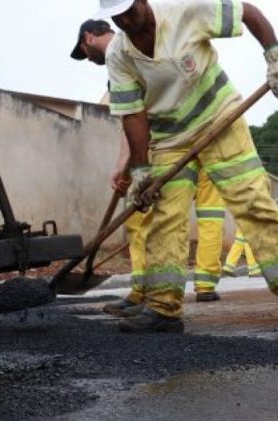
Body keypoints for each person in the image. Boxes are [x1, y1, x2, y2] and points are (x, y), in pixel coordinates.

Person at [97, 0, 278, 334]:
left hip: (220, 120)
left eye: (130, 10)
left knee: (253, 203)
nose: (125, 21)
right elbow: (134, 113)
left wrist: (274, 53)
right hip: (170, 137)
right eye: (117, 17)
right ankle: (163, 308)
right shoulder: (119, 53)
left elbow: (249, 13)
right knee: (165, 217)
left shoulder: (186, 12)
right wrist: (141, 169)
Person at [73, 20, 227, 315]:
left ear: (88, 38)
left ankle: (143, 292)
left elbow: (133, 123)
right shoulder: (144, 44)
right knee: (193, 218)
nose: (89, 60)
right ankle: (197, 286)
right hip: (203, 135)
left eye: (84, 52)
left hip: (167, 145)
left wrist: (125, 167)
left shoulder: (121, 62)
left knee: (142, 218)